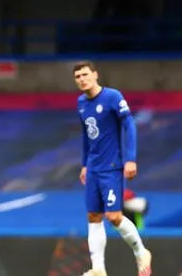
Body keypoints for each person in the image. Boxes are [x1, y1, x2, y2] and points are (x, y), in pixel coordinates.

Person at [73, 61, 152, 276]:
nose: (82, 79)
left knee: (114, 216)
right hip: (93, 168)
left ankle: (141, 252)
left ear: (95, 75)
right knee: (93, 216)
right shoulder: (81, 103)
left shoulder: (112, 97)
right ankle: (98, 269)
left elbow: (129, 125)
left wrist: (130, 159)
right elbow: (86, 136)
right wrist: (84, 164)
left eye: (85, 74)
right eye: (78, 76)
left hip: (112, 167)